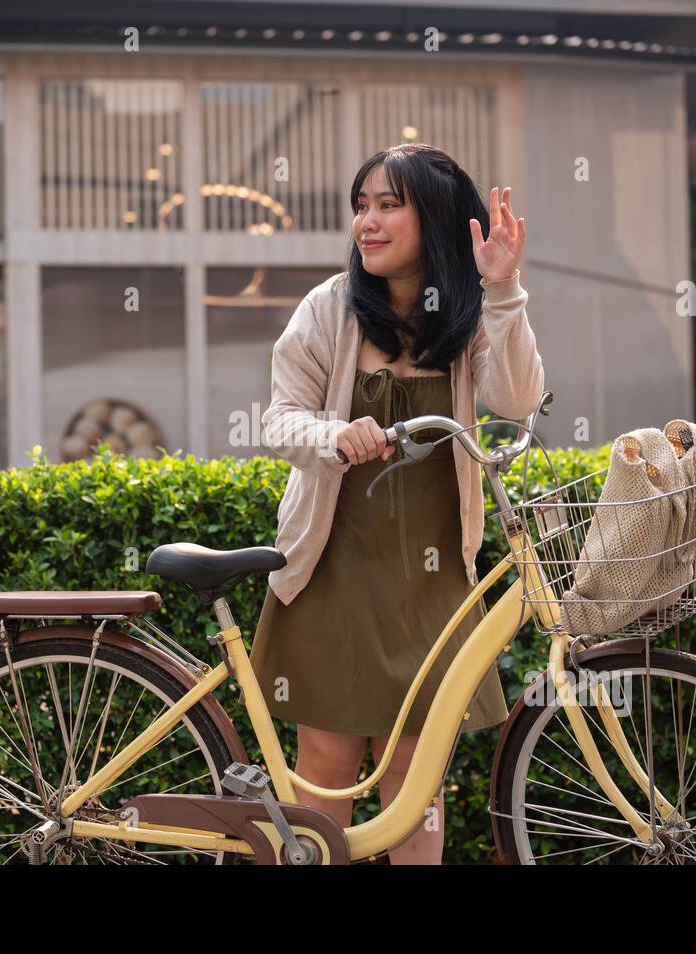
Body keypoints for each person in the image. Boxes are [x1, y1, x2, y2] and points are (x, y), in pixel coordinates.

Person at [249, 142, 545, 864]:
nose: (367, 223)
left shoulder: (469, 312)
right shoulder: (329, 308)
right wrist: (331, 433)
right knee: (323, 773)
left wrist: (504, 290)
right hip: (333, 572)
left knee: (417, 783)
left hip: (431, 579)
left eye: (388, 205)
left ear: (435, 217)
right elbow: (277, 420)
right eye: (362, 206)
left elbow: (516, 398)